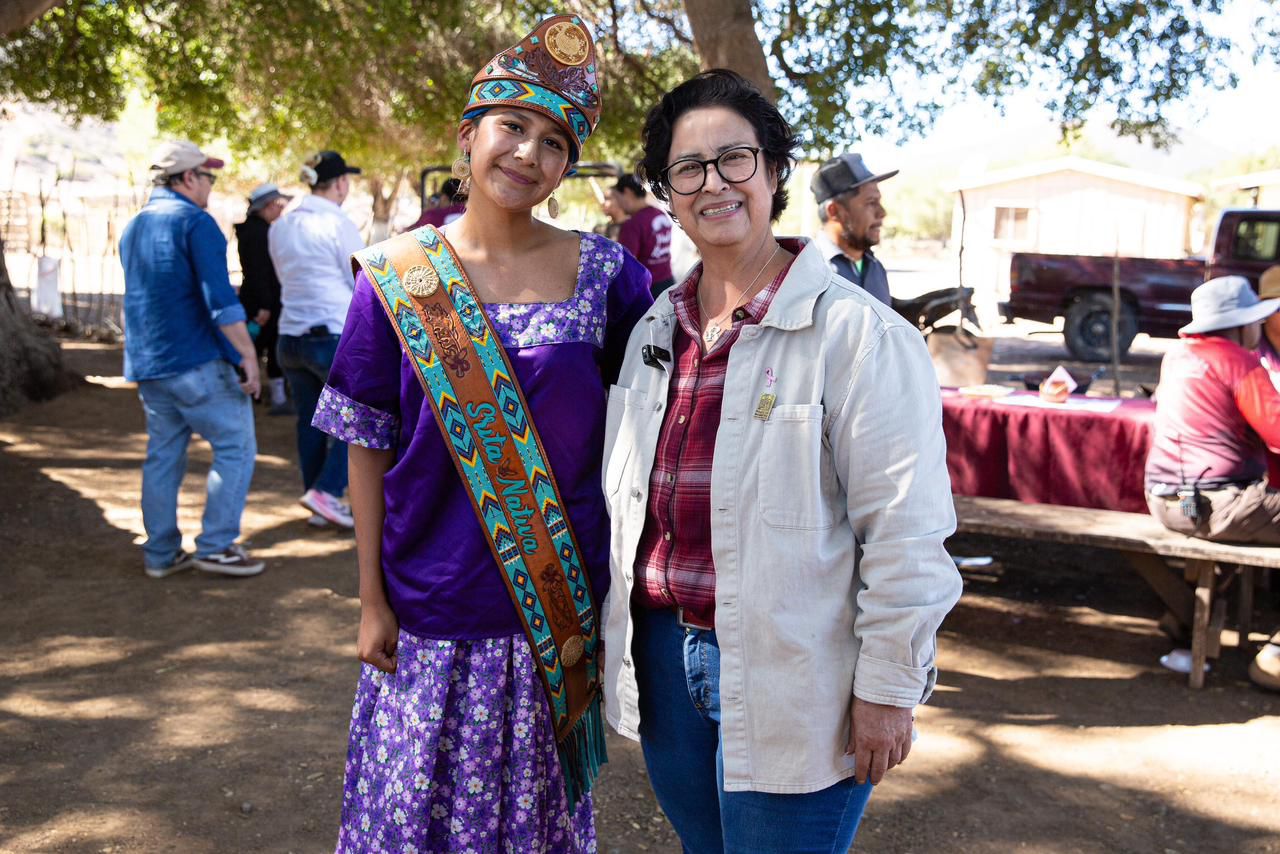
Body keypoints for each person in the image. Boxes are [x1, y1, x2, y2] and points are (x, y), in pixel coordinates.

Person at [312, 16, 652, 851]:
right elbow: (367, 445)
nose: (529, 154)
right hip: (428, 612)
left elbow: (656, 410)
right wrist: (369, 599)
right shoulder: (396, 277)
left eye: (554, 142)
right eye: (512, 127)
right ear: (468, 136)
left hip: (556, 614)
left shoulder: (609, 276)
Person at [601, 69, 962, 851]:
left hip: (797, 665)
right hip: (666, 658)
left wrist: (889, 690)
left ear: (773, 172)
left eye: (735, 158)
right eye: (687, 168)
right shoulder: (656, 332)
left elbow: (907, 533)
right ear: (667, 191)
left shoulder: (859, 336)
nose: (714, 183)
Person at [119, 140, 265, 578]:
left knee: (164, 457)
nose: (210, 187)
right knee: (236, 447)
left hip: (151, 364)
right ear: (187, 179)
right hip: (198, 361)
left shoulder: (134, 226)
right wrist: (248, 357)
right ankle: (216, 545)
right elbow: (220, 302)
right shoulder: (195, 222)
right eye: (208, 178)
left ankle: (160, 554)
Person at [1144, 276, 1280, 692]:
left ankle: (1185, 622)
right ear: (1242, 325)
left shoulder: (1178, 356)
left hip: (1170, 503)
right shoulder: (1239, 361)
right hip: (1218, 504)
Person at [268, 150, 365, 529]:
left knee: (308, 423)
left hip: (290, 334)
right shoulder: (337, 222)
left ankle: (316, 495)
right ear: (340, 183)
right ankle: (326, 491)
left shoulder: (282, 223)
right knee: (358, 417)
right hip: (331, 332)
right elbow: (358, 280)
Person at [235, 182, 293, 415]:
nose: (280, 210)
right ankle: (265, 396)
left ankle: (257, 394)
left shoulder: (253, 230)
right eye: (278, 204)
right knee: (262, 346)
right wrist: (265, 305)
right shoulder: (260, 233)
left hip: (257, 298)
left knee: (256, 346)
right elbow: (260, 272)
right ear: (267, 206)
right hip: (263, 301)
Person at [810, 152, 897, 305]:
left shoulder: (876, 268)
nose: (882, 213)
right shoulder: (808, 272)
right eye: (871, 202)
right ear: (834, 211)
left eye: (879, 202)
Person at [612, 174, 676, 295]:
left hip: (647, 290)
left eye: (617, 198)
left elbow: (626, 266)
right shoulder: (659, 214)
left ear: (627, 192)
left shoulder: (633, 224)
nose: (618, 204)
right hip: (669, 284)